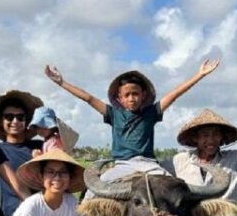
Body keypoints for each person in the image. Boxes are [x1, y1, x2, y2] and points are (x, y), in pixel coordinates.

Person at [44, 59, 219, 181]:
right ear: (119, 98)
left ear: (143, 95)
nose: (131, 98)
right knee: (92, 194)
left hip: (149, 165)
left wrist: (200, 75)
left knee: (173, 191)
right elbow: (88, 98)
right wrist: (61, 82)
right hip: (122, 165)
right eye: (127, 95)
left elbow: (174, 94)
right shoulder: (113, 114)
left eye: (135, 94)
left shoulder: (152, 112)